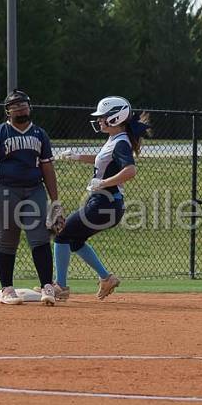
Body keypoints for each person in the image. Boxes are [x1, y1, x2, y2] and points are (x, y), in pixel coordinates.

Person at [53, 96, 150, 301]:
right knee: (75, 241)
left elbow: (130, 171)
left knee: (62, 235)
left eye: (103, 117)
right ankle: (106, 278)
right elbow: (102, 160)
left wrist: (104, 183)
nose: (99, 120)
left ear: (116, 118)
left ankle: (60, 287)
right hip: (106, 203)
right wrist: (77, 157)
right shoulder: (115, 140)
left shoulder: (121, 142)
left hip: (105, 203)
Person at [0, 90, 61, 306]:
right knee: (6, 240)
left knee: (40, 238)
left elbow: (48, 167)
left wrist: (56, 200)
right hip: (6, 190)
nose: (21, 109)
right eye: (15, 106)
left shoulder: (40, 135)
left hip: (34, 190)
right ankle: (7, 289)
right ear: (8, 111)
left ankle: (47, 286)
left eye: (24, 105)